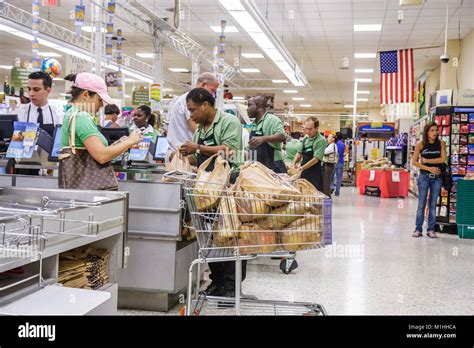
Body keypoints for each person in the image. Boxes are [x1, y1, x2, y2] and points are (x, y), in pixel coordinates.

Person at [179, 88, 243, 297]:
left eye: (193, 110)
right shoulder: (201, 129)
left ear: (205, 105)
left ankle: (232, 285)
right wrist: (181, 156)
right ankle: (217, 281)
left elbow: (229, 150)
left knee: (229, 235)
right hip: (207, 189)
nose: (191, 115)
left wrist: (196, 148)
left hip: (228, 185)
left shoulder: (228, 122)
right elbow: (199, 159)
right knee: (211, 238)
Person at [60, 73, 142, 185]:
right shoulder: (81, 117)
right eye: (99, 100)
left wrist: (120, 144)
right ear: (85, 95)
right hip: (86, 190)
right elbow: (102, 156)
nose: (102, 105)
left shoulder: (72, 113)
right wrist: (129, 141)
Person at [167, 72, 219, 152]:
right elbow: (197, 130)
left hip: (185, 152)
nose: (213, 94)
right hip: (181, 154)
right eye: (212, 90)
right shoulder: (190, 100)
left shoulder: (191, 99)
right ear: (203, 85)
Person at [412, 122, 446, 238]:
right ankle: (418, 229)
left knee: (432, 204)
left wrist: (427, 161)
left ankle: (431, 229)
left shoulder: (441, 143)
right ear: (427, 132)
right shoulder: (420, 144)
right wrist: (429, 168)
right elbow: (414, 161)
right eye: (432, 130)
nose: (435, 132)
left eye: (436, 130)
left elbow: (443, 159)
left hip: (437, 178)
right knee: (421, 204)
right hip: (424, 177)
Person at [248, 96, 287, 173]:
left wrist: (263, 138)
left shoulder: (272, 120)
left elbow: (282, 137)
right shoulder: (253, 124)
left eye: (249, 105)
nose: (247, 109)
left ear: (258, 105)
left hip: (273, 166)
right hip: (257, 167)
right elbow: (252, 148)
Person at [17, 71, 63, 136]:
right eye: (29, 89)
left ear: (48, 91)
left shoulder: (58, 114)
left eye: (36, 89)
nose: (31, 94)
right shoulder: (20, 112)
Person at [293, 117, 326, 192]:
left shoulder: (321, 140)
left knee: (314, 196)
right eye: (306, 128)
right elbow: (299, 152)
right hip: (304, 171)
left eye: (310, 129)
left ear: (317, 128)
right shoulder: (306, 138)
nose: (307, 131)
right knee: (303, 194)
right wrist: (294, 163)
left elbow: (315, 159)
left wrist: (302, 168)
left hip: (315, 173)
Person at [331, 131, 346, 196]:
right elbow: (343, 153)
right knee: (339, 178)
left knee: (331, 177)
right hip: (340, 162)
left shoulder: (333, 144)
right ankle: (337, 192)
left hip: (333, 162)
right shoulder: (343, 144)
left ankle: (331, 188)